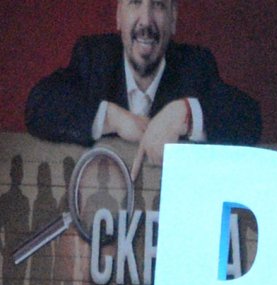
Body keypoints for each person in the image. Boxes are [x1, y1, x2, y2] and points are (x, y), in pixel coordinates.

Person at [25, 0, 262, 164]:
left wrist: (185, 114)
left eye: (158, 5)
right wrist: (112, 118)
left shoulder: (196, 66)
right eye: (135, 3)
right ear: (119, 16)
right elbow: (38, 106)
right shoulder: (93, 59)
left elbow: (249, 119)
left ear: (173, 20)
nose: (146, 22)